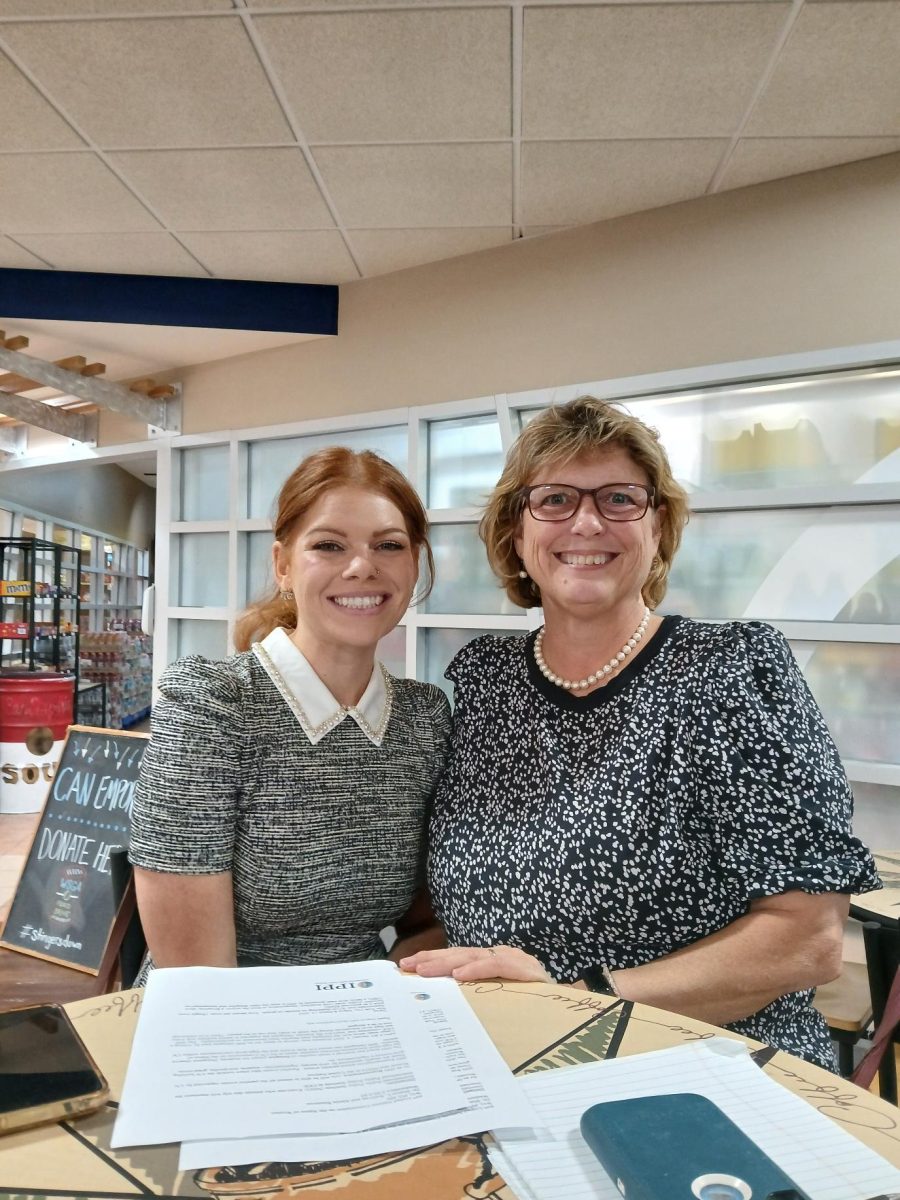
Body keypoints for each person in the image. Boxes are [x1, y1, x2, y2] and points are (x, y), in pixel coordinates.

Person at [401, 397, 879, 1068]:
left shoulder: (731, 673)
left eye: (620, 499)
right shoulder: (486, 682)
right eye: (556, 499)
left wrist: (576, 1001)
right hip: (495, 1054)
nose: (588, 522)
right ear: (515, 531)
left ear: (659, 526)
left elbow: (807, 942)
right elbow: (440, 903)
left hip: (700, 1067)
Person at [130, 447, 451, 973]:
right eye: (328, 545)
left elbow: (423, 922)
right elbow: (197, 976)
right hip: (224, 1022)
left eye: (388, 545)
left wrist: (398, 988)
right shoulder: (213, 703)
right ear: (282, 565)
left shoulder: (424, 718)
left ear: (413, 563)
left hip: (369, 1009)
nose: (361, 567)